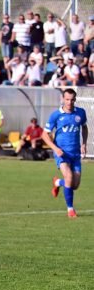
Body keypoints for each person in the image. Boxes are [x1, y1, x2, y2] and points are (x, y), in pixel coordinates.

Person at [43, 88, 88, 218]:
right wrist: (55, 148)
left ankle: (57, 183)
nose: (69, 102)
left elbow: (84, 128)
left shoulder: (80, 113)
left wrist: (83, 144)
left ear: (75, 99)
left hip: (75, 154)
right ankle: (70, 209)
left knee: (75, 185)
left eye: (72, 99)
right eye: (67, 99)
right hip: (61, 153)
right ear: (63, 99)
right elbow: (44, 134)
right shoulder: (56, 115)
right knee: (69, 177)